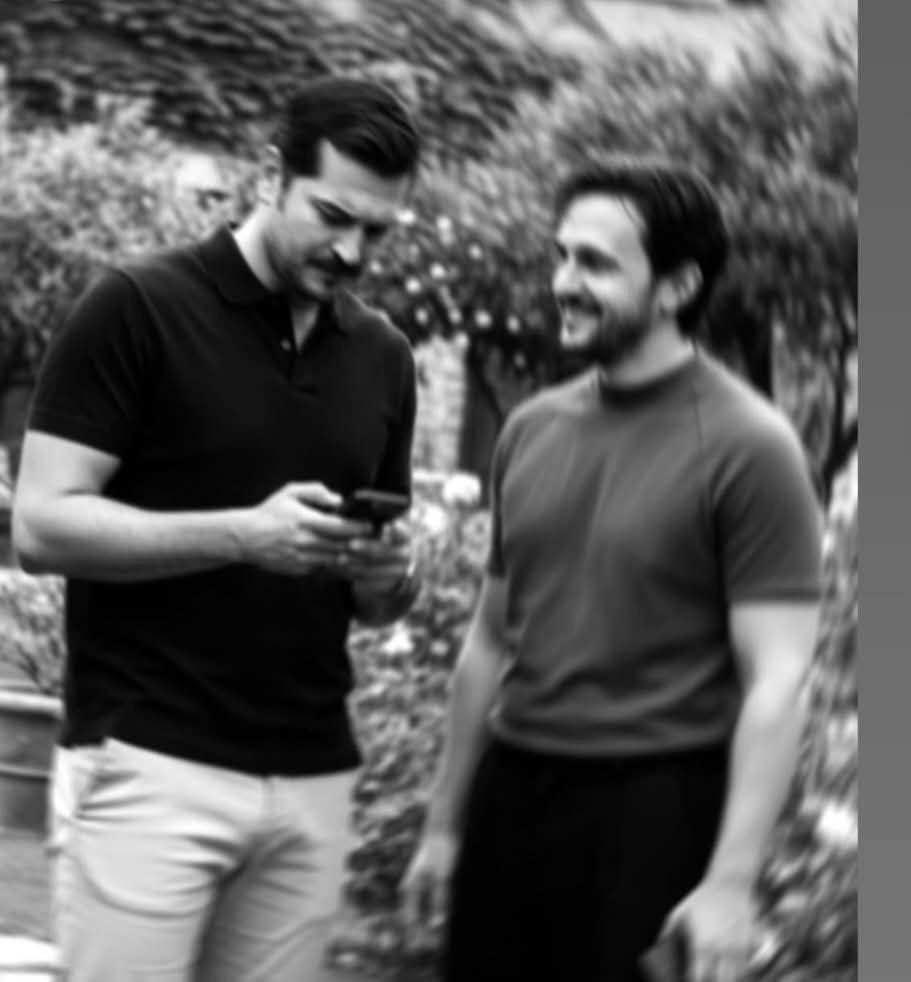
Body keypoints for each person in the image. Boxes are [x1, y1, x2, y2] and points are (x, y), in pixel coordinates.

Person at [12, 76, 423, 982]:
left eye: (378, 232)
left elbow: (374, 604)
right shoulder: (136, 305)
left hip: (312, 778)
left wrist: (390, 573)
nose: (352, 251)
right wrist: (241, 534)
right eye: (332, 217)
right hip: (148, 762)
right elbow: (41, 526)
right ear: (270, 175)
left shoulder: (385, 358)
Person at [402, 158, 824, 982]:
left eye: (594, 263)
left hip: (651, 818)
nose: (563, 282)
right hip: (511, 796)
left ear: (676, 287)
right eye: (561, 256)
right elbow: (487, 642)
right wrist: (444, 826)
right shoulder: (530, 428)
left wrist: (729, 883)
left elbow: (778, 681)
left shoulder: (751, 446)